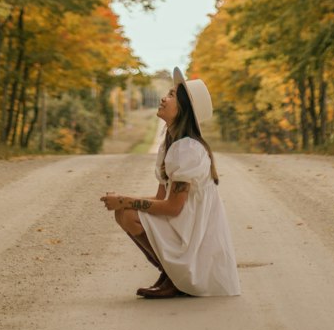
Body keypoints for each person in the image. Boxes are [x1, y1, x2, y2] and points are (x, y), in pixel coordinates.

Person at [100, 67, 241, 300]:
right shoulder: (171, 144)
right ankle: (169, 274)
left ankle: (175, 276)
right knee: (124, 212)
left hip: (191, 233)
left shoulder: (188, 149)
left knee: (126, 212)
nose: (163, 98)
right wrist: (124, 200)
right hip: (183, 224)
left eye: (172, 95)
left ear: (184, 109)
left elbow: (173, 207)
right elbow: (160, 198)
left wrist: (125, 200)